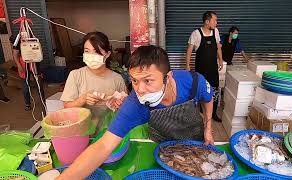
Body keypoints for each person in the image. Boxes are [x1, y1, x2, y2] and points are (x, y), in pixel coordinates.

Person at [57, 45, 214, 179]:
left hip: (195, 138)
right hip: (163, 145)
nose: (140, 89)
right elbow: (103, 146)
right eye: (134, 80)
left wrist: (208, 128)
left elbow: (208, 98)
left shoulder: (194, 81)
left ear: (168, 77)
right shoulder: (135, 104)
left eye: (148, 81)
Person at [60, 32, 127, 133]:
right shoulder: (75, 75)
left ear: (107, 54)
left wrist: (119, 104)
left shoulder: (117, 78)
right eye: (87, 51)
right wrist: (82, 99)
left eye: (96, 52)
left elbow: (125, 106)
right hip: (83, 132)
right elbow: (66, 107)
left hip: (110, 132)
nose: (91, 56)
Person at [186, 11, 223, 122]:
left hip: (213, 69)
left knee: (215, 90)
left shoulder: (215, 31)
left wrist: (221, 60)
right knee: (201, 89)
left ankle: (214, 113)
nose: (216, 22)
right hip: (201, 70)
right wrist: (187, 65)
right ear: (207, 22)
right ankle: (203, 112)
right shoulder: (196, 33)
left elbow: (218, 47)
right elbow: (189, 51)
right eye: (215, 20)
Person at [10, 34, 44, 111]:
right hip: (24, 63)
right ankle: (28, 104)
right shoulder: (19, 39)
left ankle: (42, 101)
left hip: (33, 62)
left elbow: (38, 52)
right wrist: (19, 65)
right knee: (26, 83)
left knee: (38, 82)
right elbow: (15, 55)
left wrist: (39, 70)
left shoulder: (31, 37)